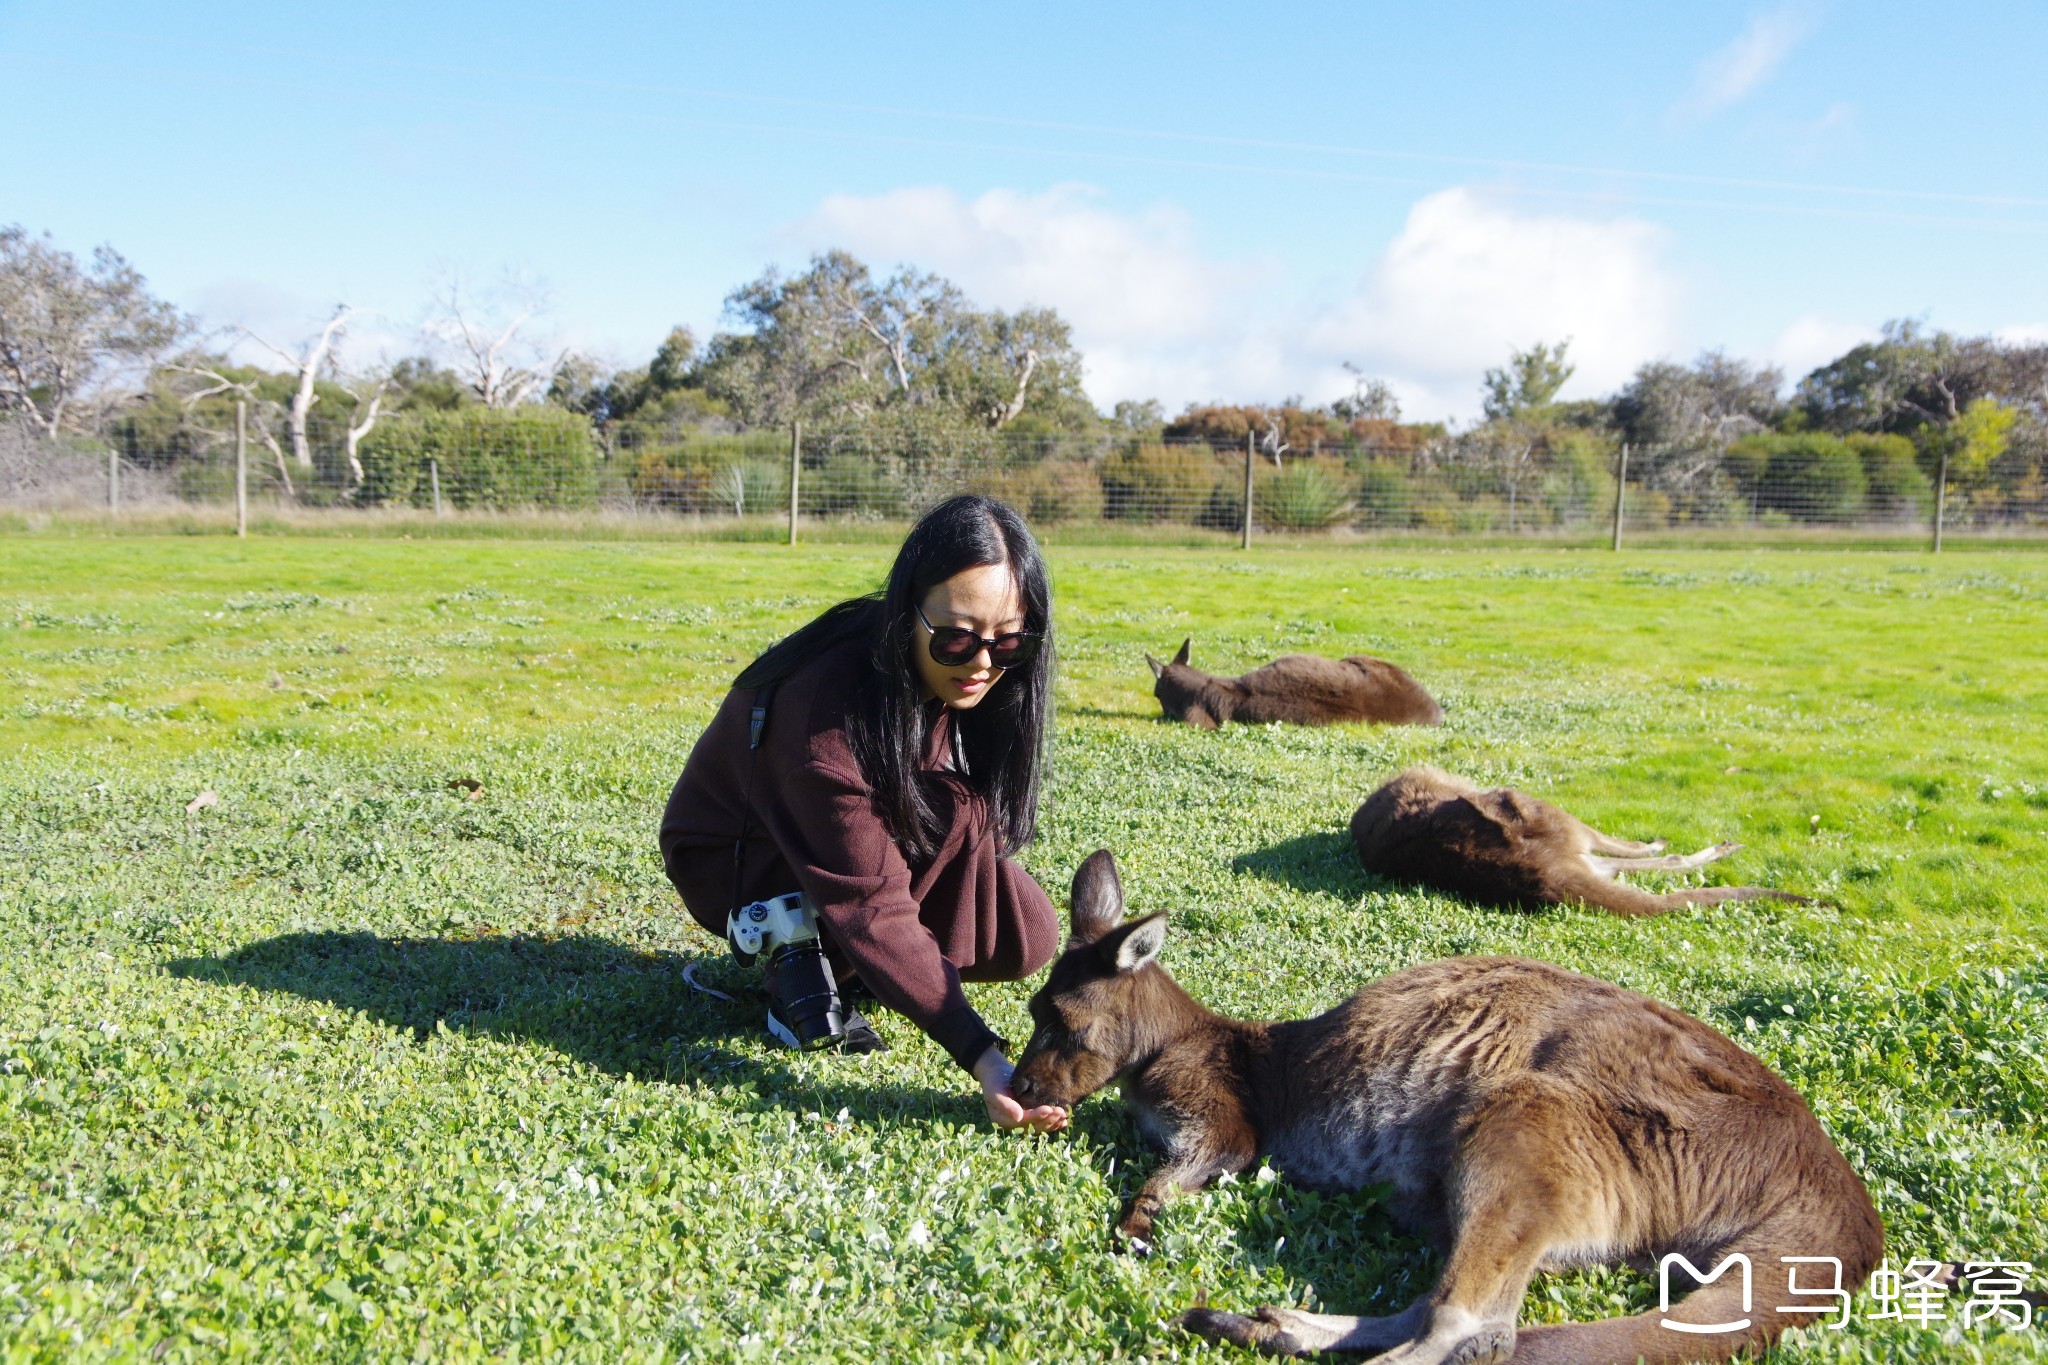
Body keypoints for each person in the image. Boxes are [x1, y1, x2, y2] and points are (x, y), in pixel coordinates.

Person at [659, 495, 1070, 1132]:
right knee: (893, 905)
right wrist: (986, 1059)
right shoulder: (824, 717)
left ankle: (865, 965)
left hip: (851, 822)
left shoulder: (943, 670)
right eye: (957, 638)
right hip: (743, 860)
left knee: (1028, 934)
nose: (984, 663)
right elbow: (874, 906)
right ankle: (800, 958)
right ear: (907, 609)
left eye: (1009, 641)